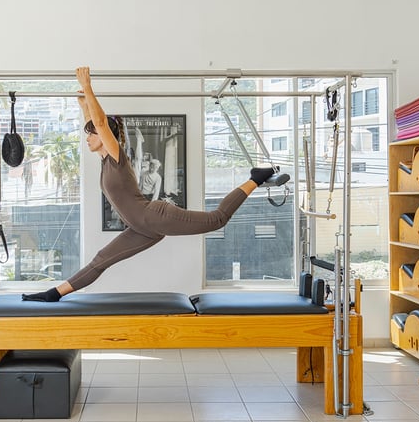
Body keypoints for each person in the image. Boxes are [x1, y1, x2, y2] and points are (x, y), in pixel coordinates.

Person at [22, 66, 278, 302]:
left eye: (90, 135)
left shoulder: (116, 155)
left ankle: (255, 177)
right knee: (101, 260)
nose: (87, 139)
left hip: (154, 216)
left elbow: (100, 123)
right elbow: (95, 122)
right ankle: (53, 294)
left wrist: (88, 87)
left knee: (217, 219)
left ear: (103, 136)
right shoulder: (104, 161)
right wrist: (84, 103)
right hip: (142, 228)